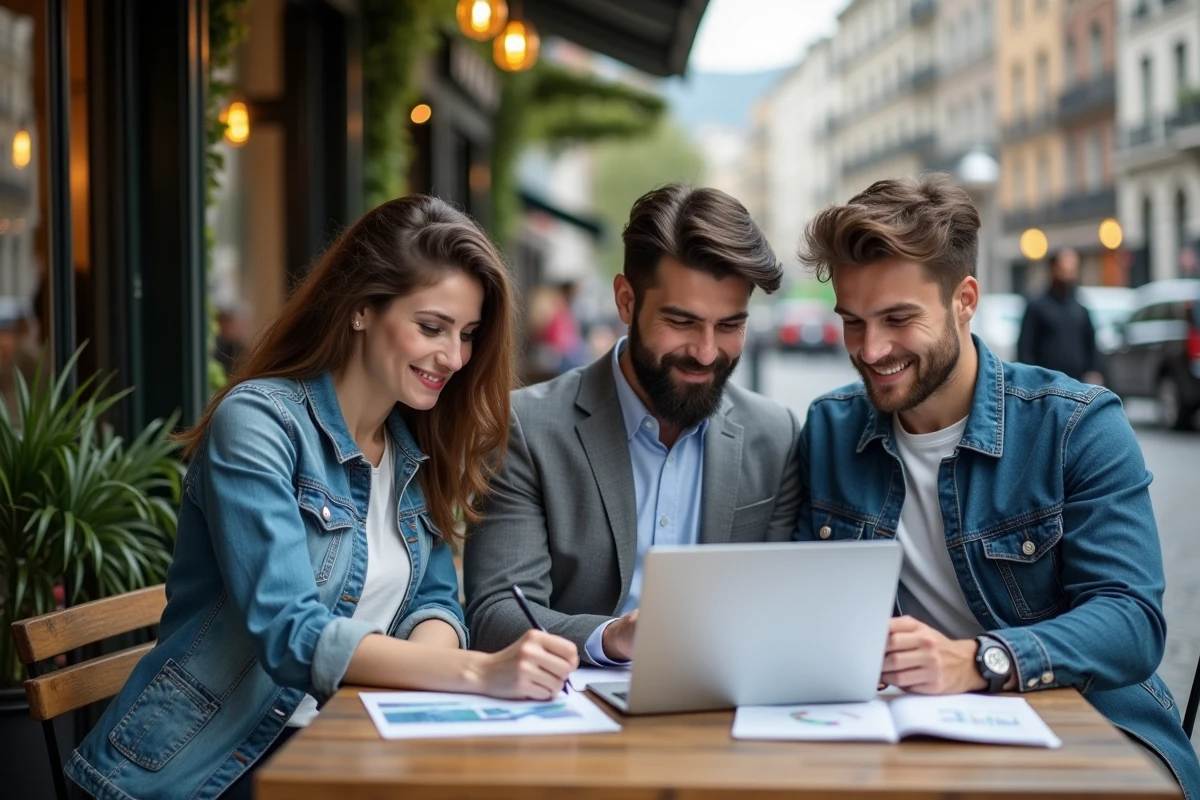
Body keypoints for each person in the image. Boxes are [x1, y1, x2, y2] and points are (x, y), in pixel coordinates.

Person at [66, 196, 579, 800]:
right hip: (201, 766)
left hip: (346, 738)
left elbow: (436, 600)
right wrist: (477, 671)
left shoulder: (413, 443)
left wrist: (433, 681)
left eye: (467, 335)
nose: (455, 358)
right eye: (431, 327)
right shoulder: (259, 424)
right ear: (362, 309)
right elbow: (289, 631)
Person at [793, 174, 1200, 798]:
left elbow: (1131, 622)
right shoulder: (829, 427)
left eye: (899, 319)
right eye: (853, 322)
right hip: (903, 737)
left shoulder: (1077, 425)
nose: (871, 349)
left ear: (965, 299)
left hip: (1088, 726)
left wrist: (982, 660)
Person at [465, 184, 803, 665]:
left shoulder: (776, 435)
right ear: (626, 301)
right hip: (572, 718)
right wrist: (611, 637)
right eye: (682, 322)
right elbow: (496, 615)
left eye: (729, 325)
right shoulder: (525, 429)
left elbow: (779, 607)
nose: (706, 352)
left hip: (721, 713)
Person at [1016, 247, 1103, 383]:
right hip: (1046, 383)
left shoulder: (1080, 306)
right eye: (1064, 269)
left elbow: (1090, 342)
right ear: (1053, 268)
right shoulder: (1037, 305)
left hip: (1077, 382)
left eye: (1072, 269)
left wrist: (1093, 371)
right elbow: (1025, 347)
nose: (1068, 274)